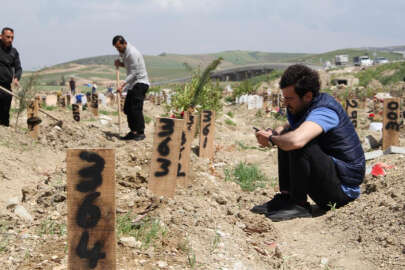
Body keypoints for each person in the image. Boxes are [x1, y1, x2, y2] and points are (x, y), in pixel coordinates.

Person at [253, 64, 365, 222]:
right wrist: (275, 132)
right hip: (329, 181)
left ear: (307, 96)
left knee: (297, 141)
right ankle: (287, 197)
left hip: (342, 192)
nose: (285, 103)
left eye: (289, 98)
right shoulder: (306, 106)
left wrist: (271, 139)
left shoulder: (325, 111)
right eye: (284, 97)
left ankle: (298, 204)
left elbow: (296, 140)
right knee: (285, 135)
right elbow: (292, 126)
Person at [113, 35, 150, 141]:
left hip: (140, 82)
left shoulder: (132, 53)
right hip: (133, 84)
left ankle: (140, 132)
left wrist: (122, 85)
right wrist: (120, 64)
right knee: (127, 109)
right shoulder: (124, 52)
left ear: (124, 43)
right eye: (116, 48)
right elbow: (129, 66)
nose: (118, 50)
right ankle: (133, 131)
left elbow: (133, 72)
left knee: (135, 108)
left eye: (119, 47)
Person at [0, 27, 22, 127]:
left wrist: (16, 78)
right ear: (1, 36)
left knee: (5, 115)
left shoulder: (14, 52)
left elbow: (18, 68)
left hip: (6, 88)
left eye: (12, 37)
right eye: (8, 37)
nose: (10, 40)